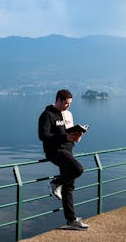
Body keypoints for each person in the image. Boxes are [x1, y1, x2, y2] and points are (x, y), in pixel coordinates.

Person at [38, 89, 89, 230]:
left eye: (70, 103)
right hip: (55, 151)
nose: (68, 106)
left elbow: (68, 134)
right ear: (58, 100)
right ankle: (55, 183)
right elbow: (43, 136)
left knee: (69, 187)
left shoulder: (68, 114)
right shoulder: (47, 115)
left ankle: (71, 220)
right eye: (66, 103)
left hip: (68, 150)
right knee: (78, 169)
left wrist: (76, 137)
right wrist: (64, 138)